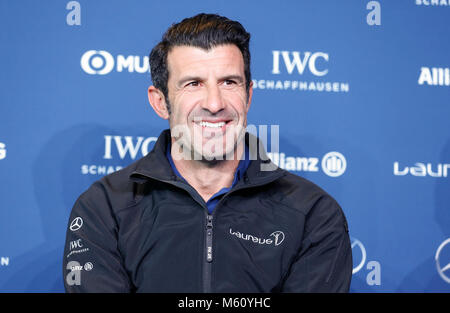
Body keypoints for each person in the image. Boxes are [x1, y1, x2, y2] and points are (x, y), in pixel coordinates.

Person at [63, 13, 352, 293]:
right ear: (161, 102)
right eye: (193, 84)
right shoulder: (104, 208)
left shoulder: (313, 214)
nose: (214, 103)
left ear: (248, 95)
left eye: (229, 82)